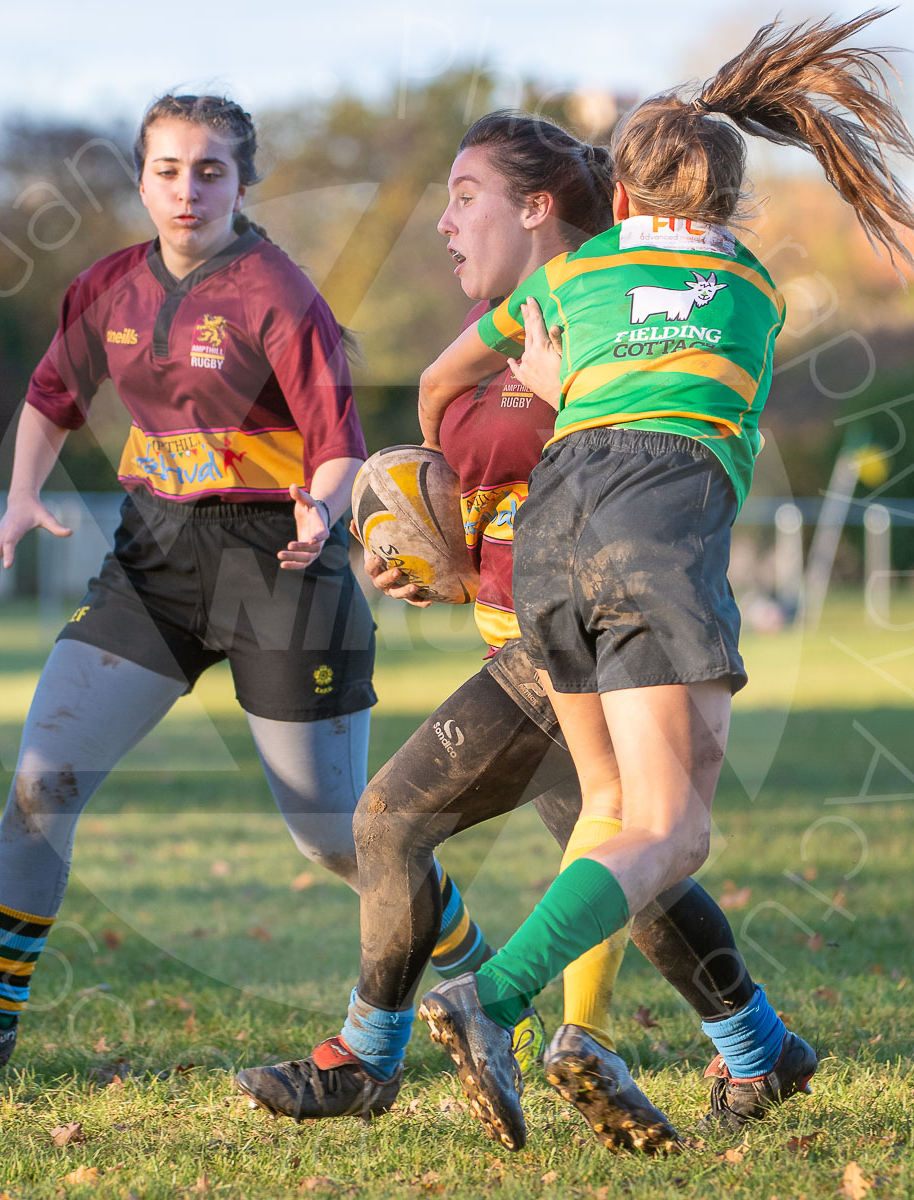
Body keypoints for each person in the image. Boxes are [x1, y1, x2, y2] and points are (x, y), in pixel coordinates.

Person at [0, 94, 509, 1074]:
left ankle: (482, 977)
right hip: (152, 566)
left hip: (280, 572)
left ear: (244, 183)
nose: (188, 188)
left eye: (210, 170)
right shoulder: (110, 287)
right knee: (43, 779)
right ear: (140, 179)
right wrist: (19, 498)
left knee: (338, 839)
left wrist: (321, 512)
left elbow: (342, 450)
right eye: (168, 169)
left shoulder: (279, 294)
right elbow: (49, 398)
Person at [412, 12, 914, 1150]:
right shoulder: (753, 288)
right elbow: (687, 377)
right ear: (726, 203)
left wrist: (449, 495)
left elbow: (444, 373)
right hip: (652, 534)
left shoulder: (577, 272)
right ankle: (491, 1001)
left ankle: (652, 1037)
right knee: (675, 831)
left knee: (612, 810)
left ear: (623, 194)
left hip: (550, 530)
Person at [237, 112, 799, 1154]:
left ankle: (390, 1053)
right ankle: (738, 1045)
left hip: (556, 628)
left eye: (464, 197)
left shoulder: (570, 304)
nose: (444, 222)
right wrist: (433, 540)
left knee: (521, 829)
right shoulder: (713, 292)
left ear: (543, 208)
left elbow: (581, 444)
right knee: (643, 846)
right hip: (572, 609)